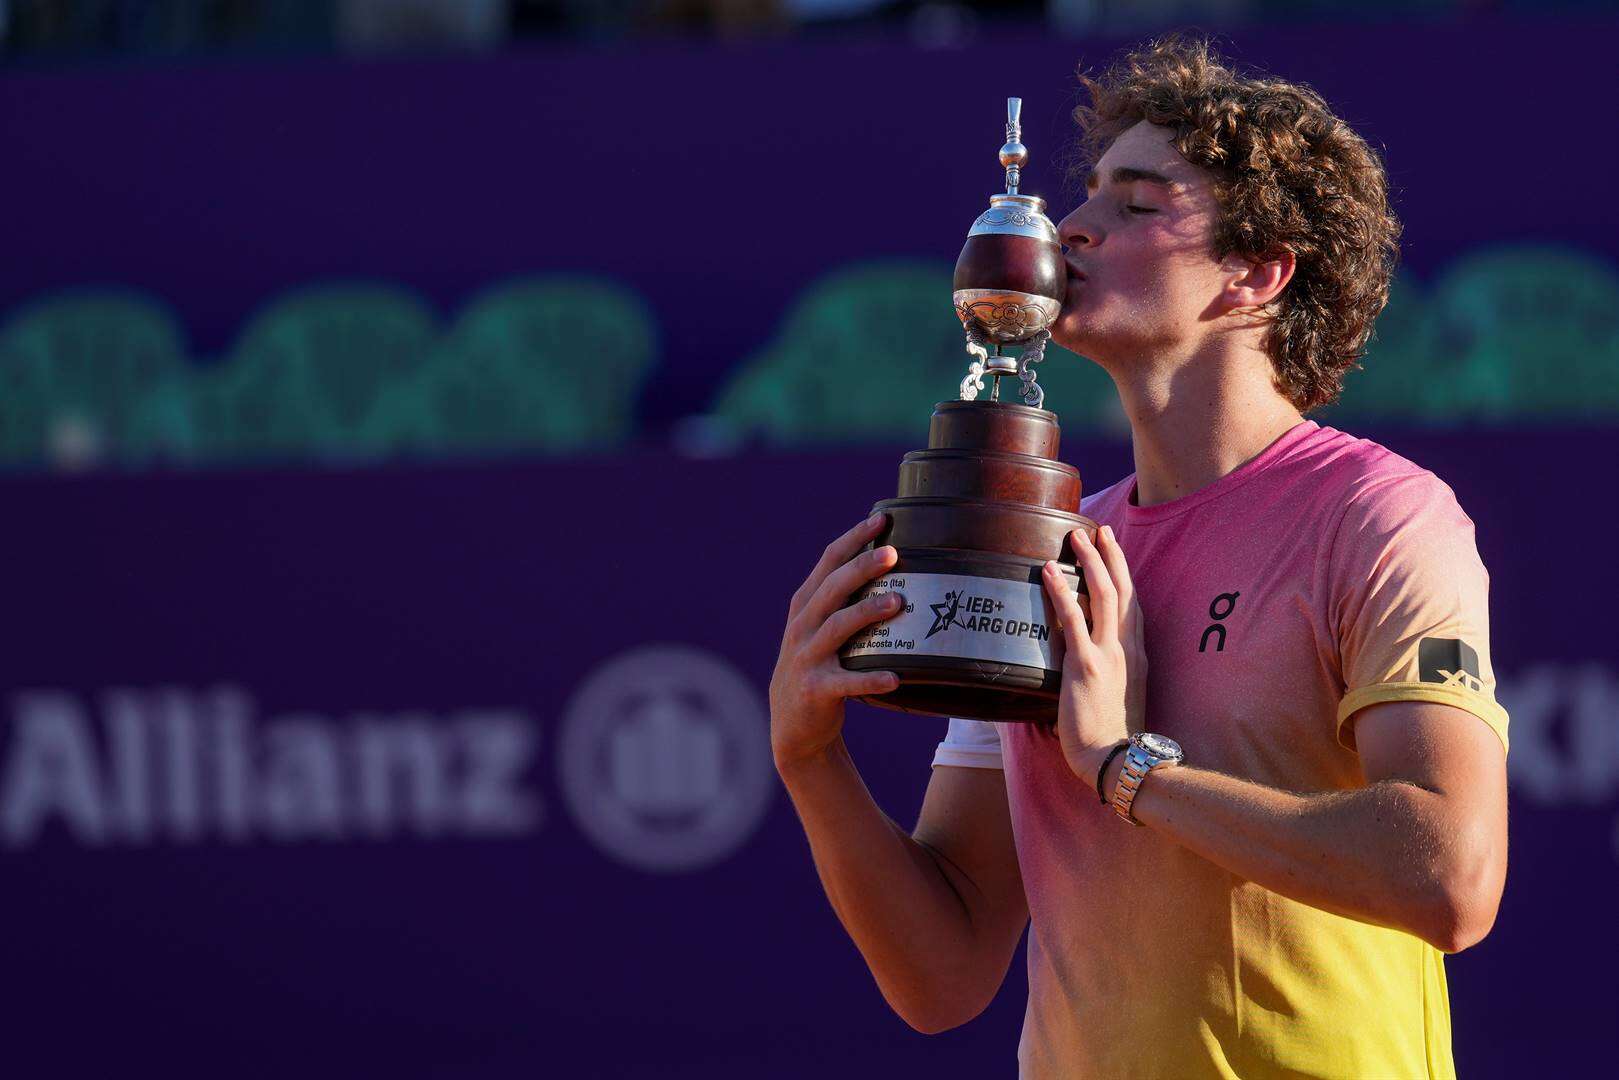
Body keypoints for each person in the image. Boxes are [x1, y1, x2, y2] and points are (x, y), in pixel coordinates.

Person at [768, 34, 1508, 1080]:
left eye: (1137, 203)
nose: (1072, 227)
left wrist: (1125, 769)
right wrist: (811, 762)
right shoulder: (1043, 553)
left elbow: (1450, 878)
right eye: (1088, 196)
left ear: (1255, 273)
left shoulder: (1378, 515)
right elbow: (941, 975)